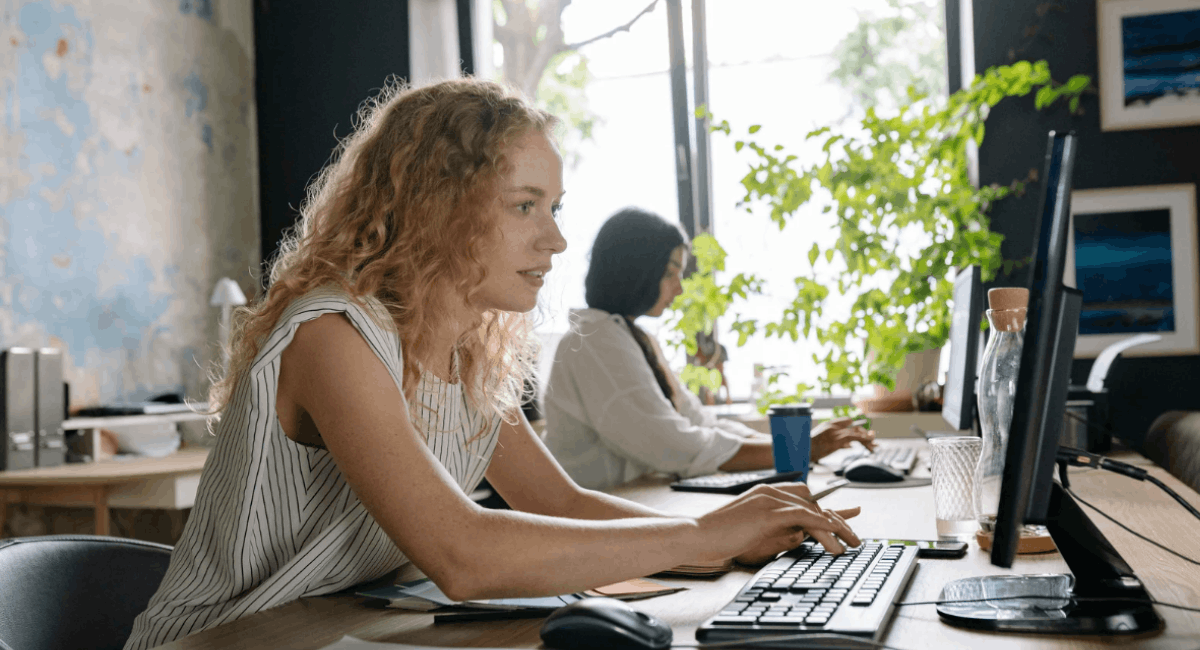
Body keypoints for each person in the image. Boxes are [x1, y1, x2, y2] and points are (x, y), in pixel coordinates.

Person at [123, 79, 861, 649]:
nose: (556, 241)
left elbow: (563, 506)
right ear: (436, 205)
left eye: (556, 207)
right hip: (224, 639)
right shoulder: (332, 336)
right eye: (524, 207)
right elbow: (462, 553)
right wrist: (703, 538)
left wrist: (735, 539)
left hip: (330, 629)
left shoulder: (470, 349)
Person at [542, 208, 876, 491]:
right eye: (671, 272)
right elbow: (674, 446)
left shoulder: (630, 337)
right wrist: (801, 450)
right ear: (637, 270)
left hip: (638, 500)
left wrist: (797, 448)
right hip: (602, 517)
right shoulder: (594, 343)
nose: (680, 287)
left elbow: (697, 421)